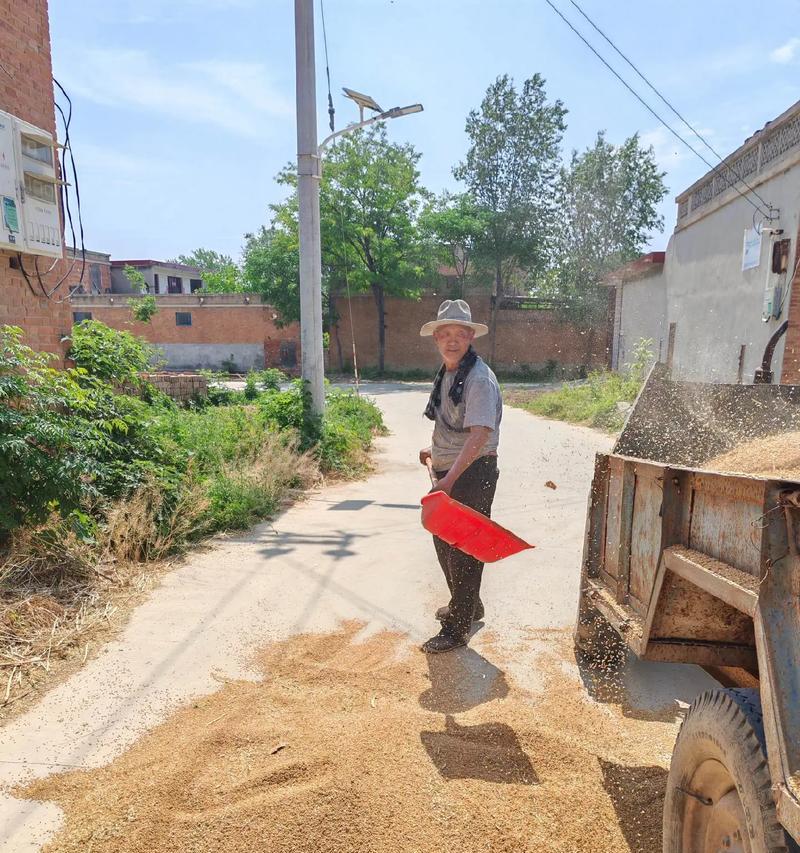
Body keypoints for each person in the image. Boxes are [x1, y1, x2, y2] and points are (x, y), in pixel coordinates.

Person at [418, 299, 502, 653]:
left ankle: (456, 629)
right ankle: (468, 605)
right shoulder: (449, 373)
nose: (452, 340)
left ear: (470, 336)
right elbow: (447, 422)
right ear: (437, 337)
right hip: (449, 469)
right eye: (445, 333)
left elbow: (479, 435)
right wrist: (432, 453)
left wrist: (449, 479)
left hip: (472, 472)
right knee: (443, 539)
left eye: (459, 334)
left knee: (463, 550)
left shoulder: (479, 378)